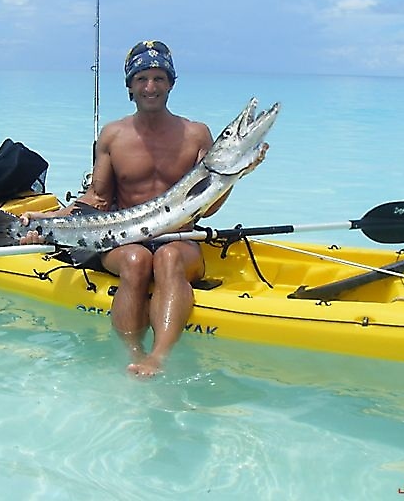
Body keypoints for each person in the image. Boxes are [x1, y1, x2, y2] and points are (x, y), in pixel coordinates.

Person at [20, 40, 266, 378]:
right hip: (123, 242)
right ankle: (133, 352)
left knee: (168, 258)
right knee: (137, 260)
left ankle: (159, 356)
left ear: (171, 84)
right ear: (130, 87)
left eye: (158, 78)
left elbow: (205, 211)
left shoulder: (197, 135)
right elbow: (98, 199)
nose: (150, 87)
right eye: (142, 79)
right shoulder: (113, 135)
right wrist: (45, 221)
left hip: (181, 239)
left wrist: (236, 174)